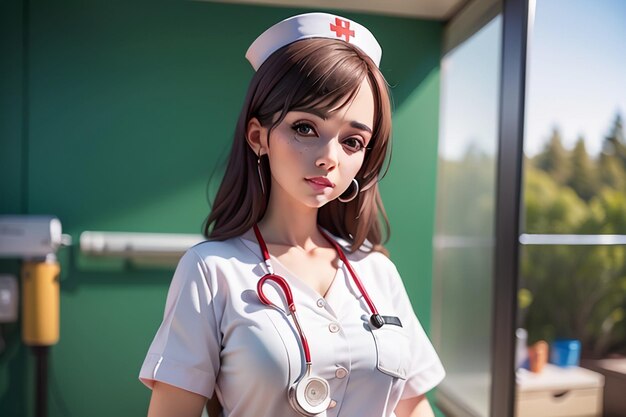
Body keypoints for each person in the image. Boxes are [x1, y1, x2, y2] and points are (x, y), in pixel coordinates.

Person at [139, 12, 445, 417]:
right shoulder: (211, 271)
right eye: (305, 128)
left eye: (353, 141)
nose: (328, 158)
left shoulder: (376, 271)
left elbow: (413, 406)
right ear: (258, 136)